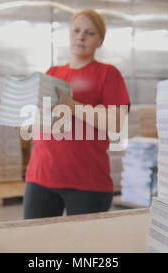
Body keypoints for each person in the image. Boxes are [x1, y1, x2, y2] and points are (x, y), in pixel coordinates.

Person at [23, 9, 130, 219]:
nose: (81, 36)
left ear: (100, 41)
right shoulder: (53, 72)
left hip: (86, 181)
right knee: (35, 244)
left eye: (89, 33)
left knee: (84, 248)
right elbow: (43, 119)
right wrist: (27, 122)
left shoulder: (108, 74)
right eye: (76, 31)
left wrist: (71, 105)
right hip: (41, 176)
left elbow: (116, 124)